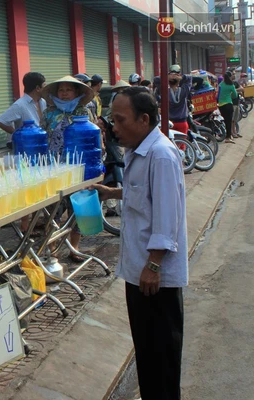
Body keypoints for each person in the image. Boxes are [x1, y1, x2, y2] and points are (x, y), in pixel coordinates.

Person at [92, 87, 187, 400]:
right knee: (147, 352)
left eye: (120, 120)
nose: (114, 127)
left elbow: (166, 217)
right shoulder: (139, 149)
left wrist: (154, 265)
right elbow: (145, 194)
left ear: (144, 119)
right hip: (139, 272)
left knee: (161, 356)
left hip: (154, 276)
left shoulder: (161, 154)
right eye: (112, 120)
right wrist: (114, 193)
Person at [41, 76, 95, 262]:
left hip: (78, 166)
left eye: (68, 90)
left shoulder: (84, 111)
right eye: (61, 90)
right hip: (53, 167)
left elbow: (93, 136)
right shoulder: (48, 113)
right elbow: (42, 136)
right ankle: (52, 249)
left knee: (77, 209)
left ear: (76, 93)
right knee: (53, 211)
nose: (64, 93)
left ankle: (75, 247)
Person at [0, 72, 47, 148]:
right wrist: (18, 134)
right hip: (28, 147)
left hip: (43, 144)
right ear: (37, 88)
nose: (46, 88)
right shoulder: (20, 105)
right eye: (44, 86)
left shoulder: (43, 101)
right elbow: (0, 122)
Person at [165, 65, 192, 136]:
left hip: (170, 123)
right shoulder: (184, 91)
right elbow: (189, 78)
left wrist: (169, 76)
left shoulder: (165, 92)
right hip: (182, 122)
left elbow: (156, 80)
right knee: (182, 145)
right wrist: (180, 77)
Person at [218, 71, 239, 144]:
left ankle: (228, 136)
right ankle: (228, 137)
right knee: (229, 121)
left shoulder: (220, 84)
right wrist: (230, 96)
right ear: (230, 77)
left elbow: (218, 94)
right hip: (228, 104)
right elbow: (235, 95)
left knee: (225, 120)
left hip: (221, 106)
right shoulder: (231, 85)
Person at [231, 71, 244, 139]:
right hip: (232, 104)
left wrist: (235, 90)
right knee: (232, 120)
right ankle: (232, 133)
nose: (234, 75)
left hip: (237, 103)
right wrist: (237, 90)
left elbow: (242, 89)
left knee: (235, 120)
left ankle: (235, 131)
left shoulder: (235, 83)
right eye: (233, 74)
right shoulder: (228, 84)